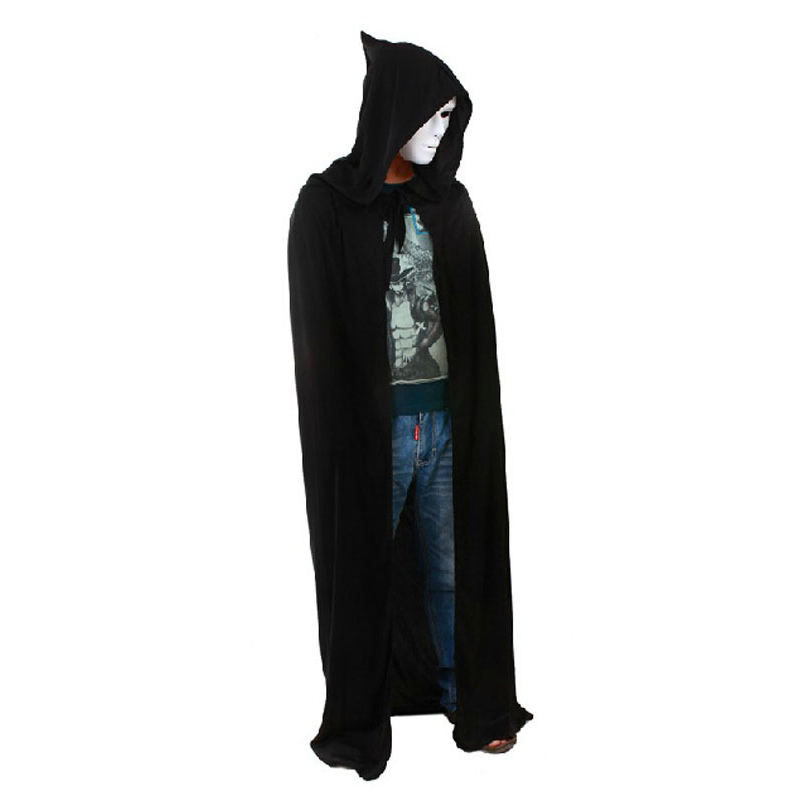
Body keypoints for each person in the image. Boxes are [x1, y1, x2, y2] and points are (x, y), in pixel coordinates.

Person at [287, 31, 533, 780]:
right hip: (373, 432)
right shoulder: (327, 206)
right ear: (393, 110)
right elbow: (316, 338)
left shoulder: (449, 203)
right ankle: (358, 725)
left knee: (454, 570)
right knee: (360, 574)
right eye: (431, 115)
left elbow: (476, 328)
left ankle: (472, 704)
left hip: (447, 424)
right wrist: (342, 430)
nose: (440, 131)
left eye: (449, 118)